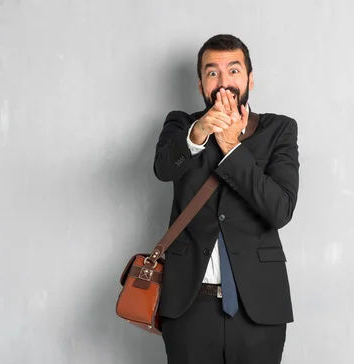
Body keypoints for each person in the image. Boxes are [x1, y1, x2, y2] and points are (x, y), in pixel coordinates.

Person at [152, 34, 300, 364]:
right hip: (189, 307)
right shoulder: (181, 125)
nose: (224, 82)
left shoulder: (279, 130)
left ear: (249, 77)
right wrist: (199, 133)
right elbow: (163, 169)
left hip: (259, 307)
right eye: (212, 72)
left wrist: (233, 147)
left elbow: (280, 209)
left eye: (233, 71)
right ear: (201, 82)